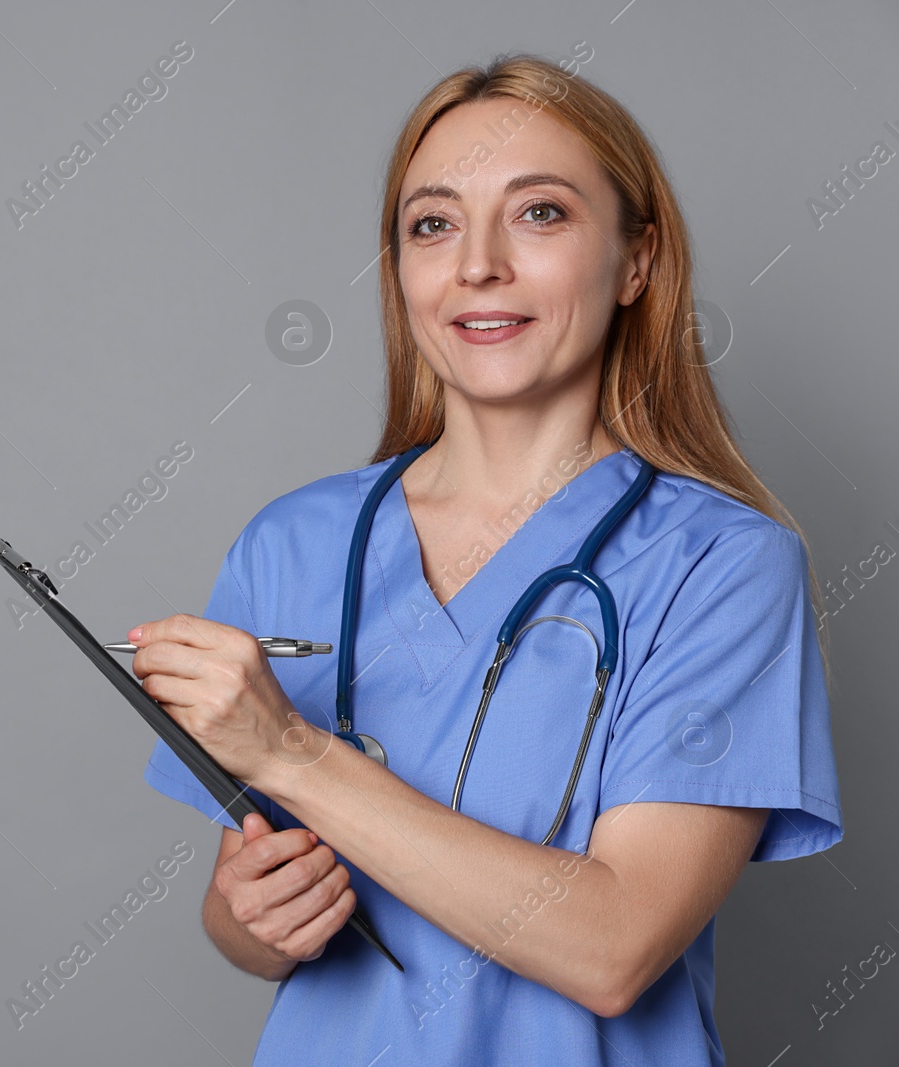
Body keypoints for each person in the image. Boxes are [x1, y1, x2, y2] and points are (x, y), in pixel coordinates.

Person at [133, 53, 841, 1066]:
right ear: (402, 271)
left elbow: (613, 946)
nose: (477, 264)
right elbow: (241, 915)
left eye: (538, 213)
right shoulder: (292, 542)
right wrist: (250, 915)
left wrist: (290, 749)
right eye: (432, 223)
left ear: (636, 260)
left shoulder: (721, 566)